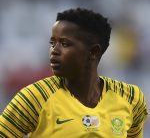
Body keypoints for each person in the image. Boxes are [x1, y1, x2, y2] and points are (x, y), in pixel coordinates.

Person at [0, 8, 148, 138]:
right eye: (52, 43)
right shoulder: (34, 97)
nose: (54, 51)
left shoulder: (130, 98)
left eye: (65, 44)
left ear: (93, 52)